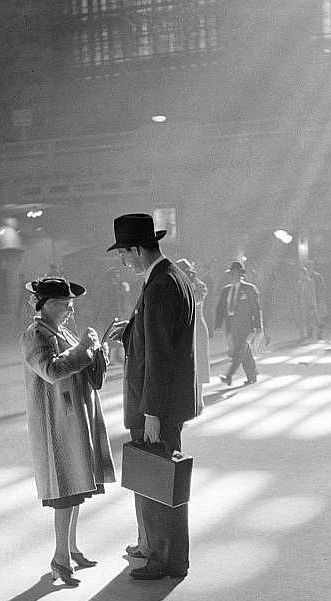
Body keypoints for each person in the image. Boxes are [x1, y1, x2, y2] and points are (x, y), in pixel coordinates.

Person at [107, 213, 197, 580]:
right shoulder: (170, 277)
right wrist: (130, 330)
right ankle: (163, 552)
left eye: (124, 254)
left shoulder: (159, 285)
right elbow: (161, 338)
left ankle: (161, 560)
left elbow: (160, 355)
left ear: (136, 249)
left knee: (157, 478)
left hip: (157, 403)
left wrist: (152, 413)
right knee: (160, 479)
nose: (122, 261)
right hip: (165, 401)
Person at [21, 277, 116, 587]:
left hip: (72, 420)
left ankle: (71, 549)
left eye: (71, 307)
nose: (69, 313)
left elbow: (82, 360)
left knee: (75, 488)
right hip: (56, 426)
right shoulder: (35, 335)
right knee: (64, 491)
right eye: (64, 306)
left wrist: (95, 348)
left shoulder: (60, 331)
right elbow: (51, 370)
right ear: (45, 305)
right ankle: (59, 558)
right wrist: (85, 349)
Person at [214, 260, 262, 386]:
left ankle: (229, 376)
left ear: (241, 274)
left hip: (245, 325)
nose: (234, 276)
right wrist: (218, 325)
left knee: (239, 350)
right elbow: (220, 308)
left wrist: (258, 326)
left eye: (236, 273)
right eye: (232, 273)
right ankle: (253, 374)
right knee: (244, 350)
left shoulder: (249, 289)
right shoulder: (226, 290)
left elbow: (256, 308)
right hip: (231, 325)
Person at [177, 258, 210, 412]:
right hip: (183, 330)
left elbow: (195, 301)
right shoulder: (177, 286)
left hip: (197, 328)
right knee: (185, 364)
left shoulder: (200, 285)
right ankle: (188, 398)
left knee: (200, 362)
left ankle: (199, 398)